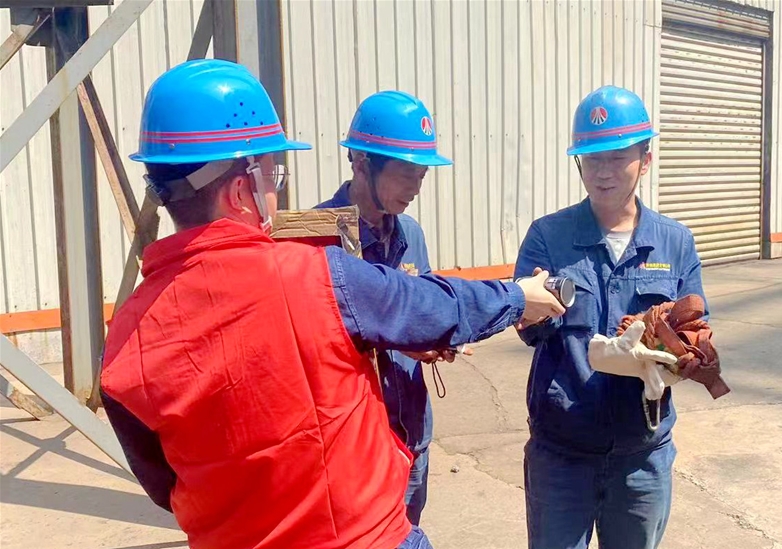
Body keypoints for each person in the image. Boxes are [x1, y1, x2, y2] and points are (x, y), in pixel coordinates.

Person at [100, 59, 566, 549]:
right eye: (273, 176)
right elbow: (429, 305)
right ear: (241, 190)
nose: (276, 192)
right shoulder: (313, 269)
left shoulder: (126, 338)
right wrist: (519, 296)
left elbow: (164, 483)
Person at [514, 85, 708, 549]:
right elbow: (528, 331)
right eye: (592, 159)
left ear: (645, 159)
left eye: (618, 157)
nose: (603, 172)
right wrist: (527, 310)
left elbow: (696, 330)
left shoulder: (675, 242)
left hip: (642, 457)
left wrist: (679, 353)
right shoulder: (547, 237)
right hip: (561, 454)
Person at [317, 90, 452, 525]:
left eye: (422, 175)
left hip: (412, 436)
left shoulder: (411, 234)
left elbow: (423, 309)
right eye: (406, 173)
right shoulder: (316, 239)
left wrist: (433, 339)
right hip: (352, 451)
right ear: (361, 163)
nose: (415, 188)